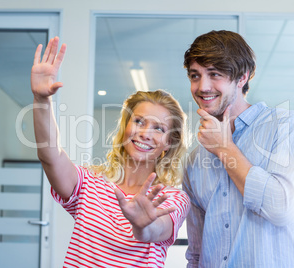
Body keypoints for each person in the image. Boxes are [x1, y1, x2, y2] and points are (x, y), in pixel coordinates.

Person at [31, 36, 190, 268]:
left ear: (169, 143)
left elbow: (155, 230)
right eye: (139, 121)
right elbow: (50, 156)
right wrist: (41, 99)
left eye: (159, 128)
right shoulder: (89, 184)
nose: (145, 133)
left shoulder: (172, 198)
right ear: (125, 127)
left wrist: (142, 224)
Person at [182, 30, 294, 268]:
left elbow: (280, 208)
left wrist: (224, 148)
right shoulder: (194, 160)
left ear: (242, 77)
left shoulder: (288, 127)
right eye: (195, 75)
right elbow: (196, 252)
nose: (202, 86)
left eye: (214, 74)